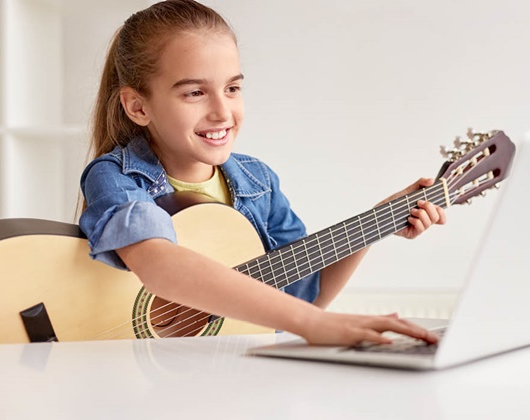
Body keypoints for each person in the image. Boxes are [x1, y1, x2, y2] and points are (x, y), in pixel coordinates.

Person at [79, 0, 446, 346]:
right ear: (138, 106)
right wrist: (313, 324)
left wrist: (376, 222)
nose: (222, 111)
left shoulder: (258, 182)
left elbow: (305, 297)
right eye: (194, 93)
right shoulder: (114, 177)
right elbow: (160, 266)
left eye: (232, 88)